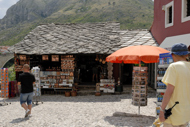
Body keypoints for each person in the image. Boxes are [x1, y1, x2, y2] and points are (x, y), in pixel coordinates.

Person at [159, 43, 190, 127]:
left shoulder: (173, 67)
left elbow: (169, 91)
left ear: (172, 54)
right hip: (186, 113)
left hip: (173, 112)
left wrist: (161, 110)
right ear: (186, 54)